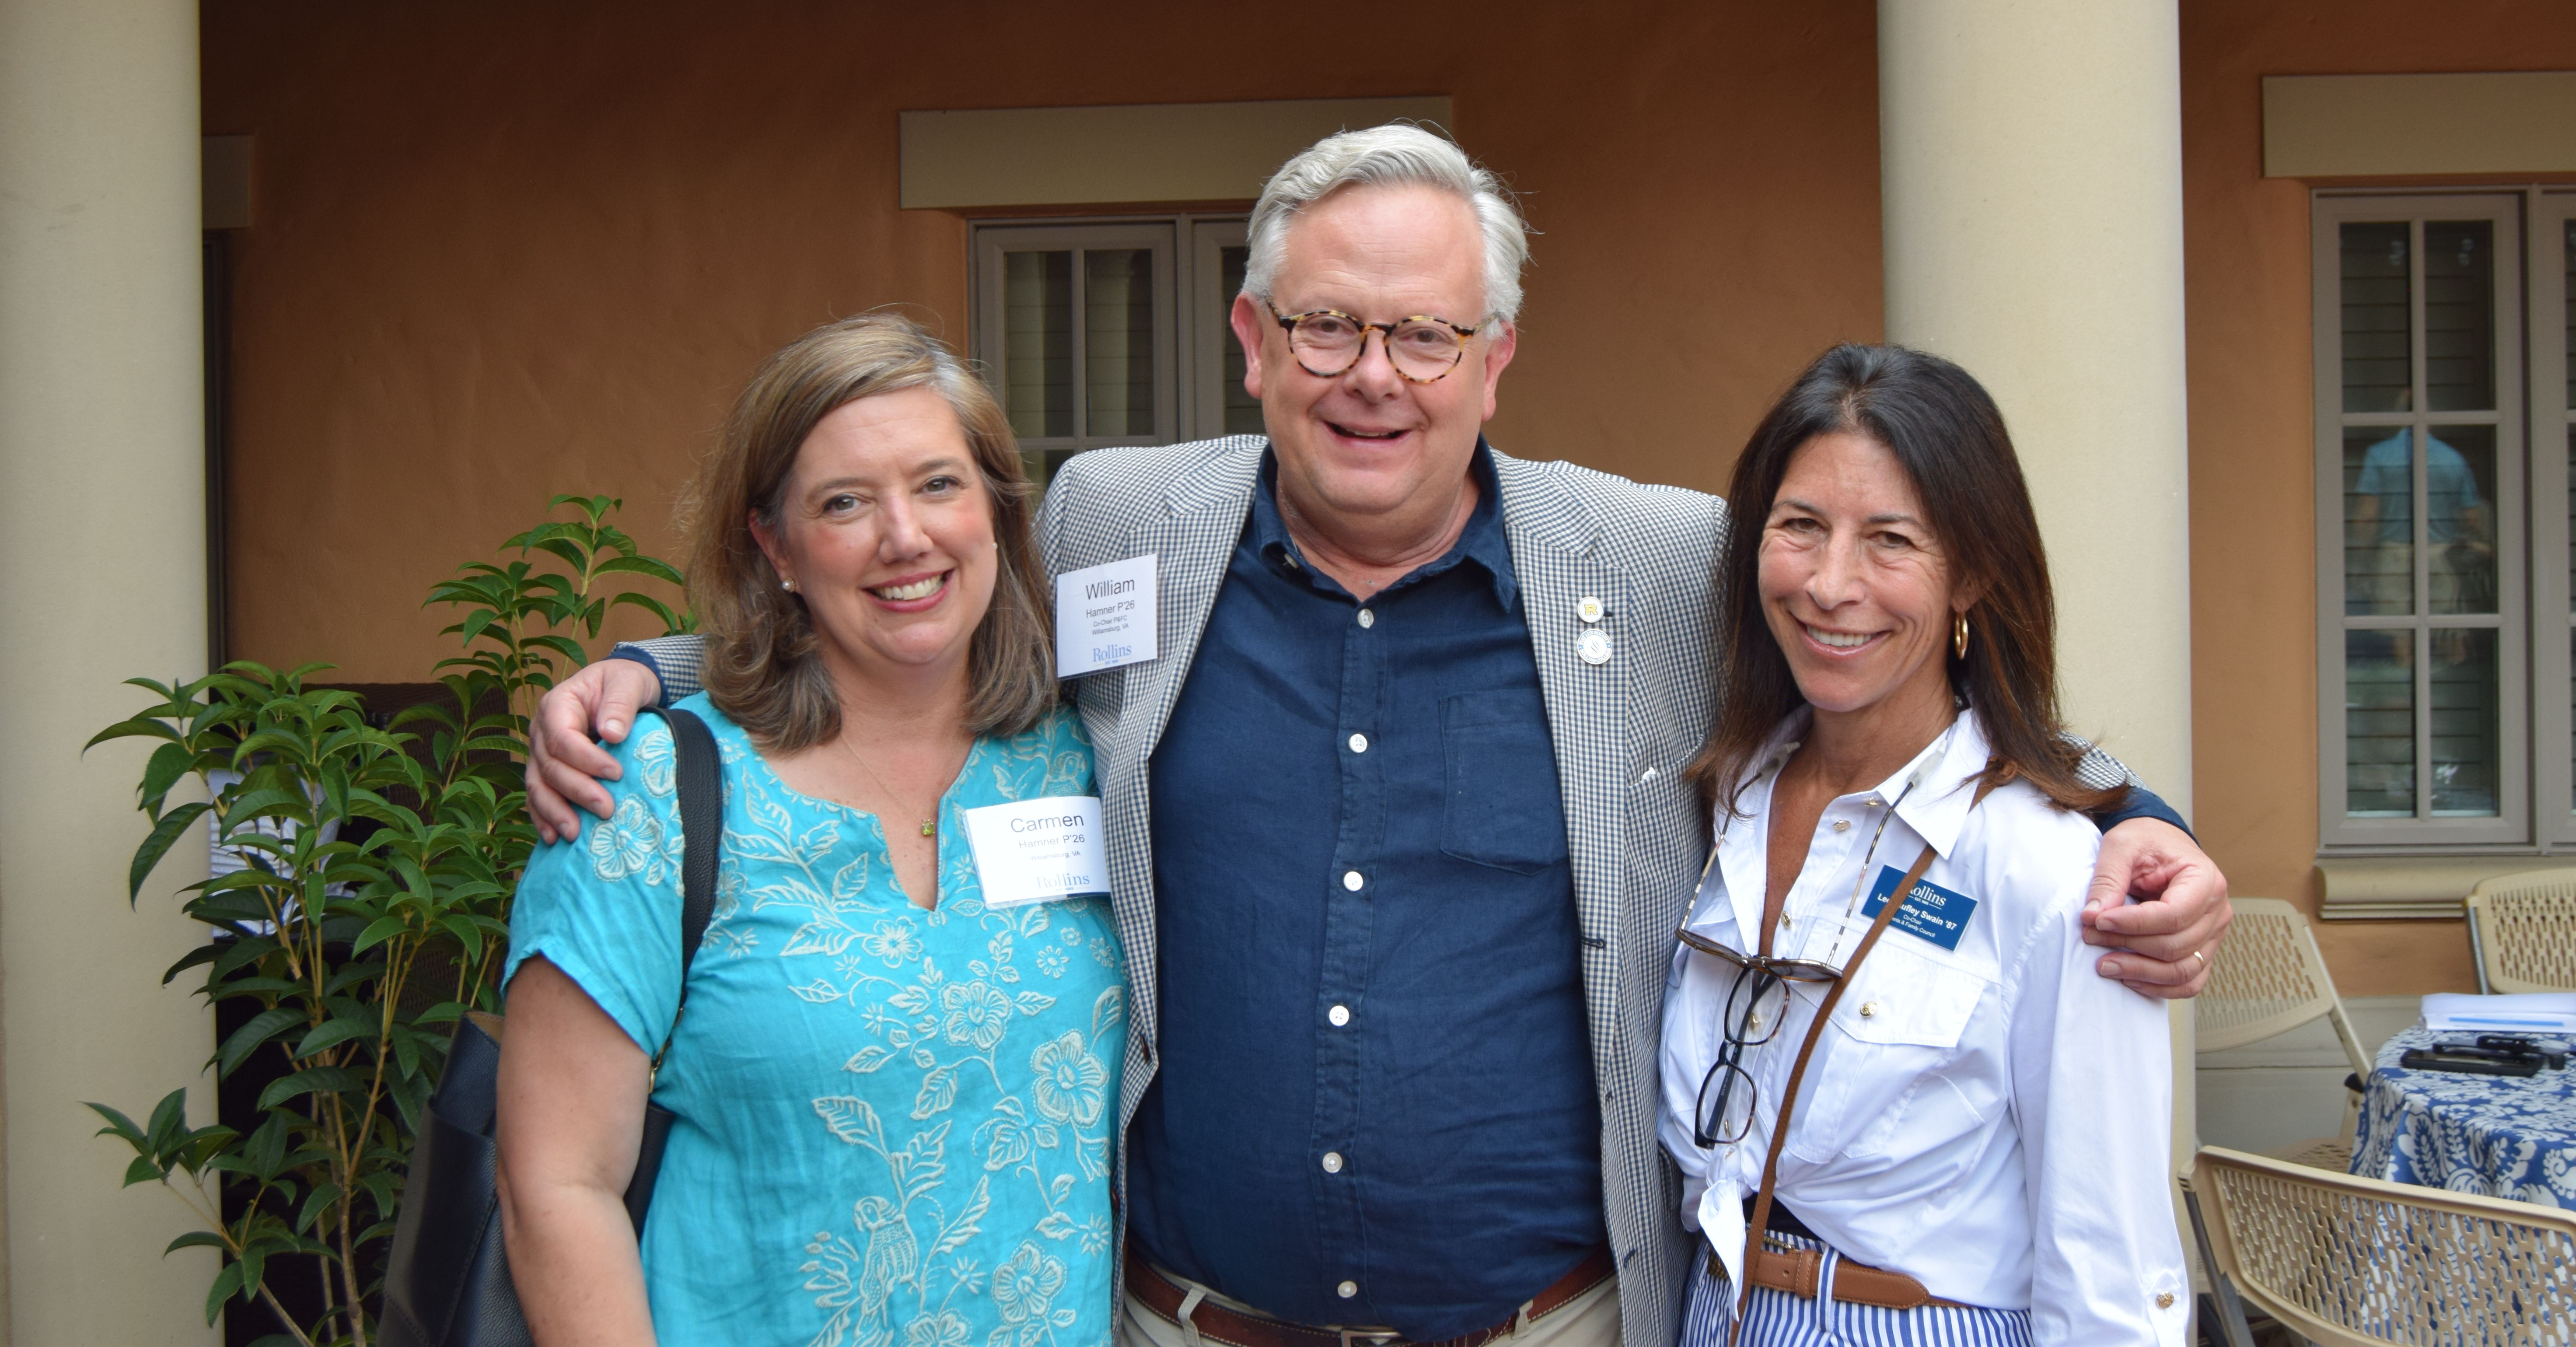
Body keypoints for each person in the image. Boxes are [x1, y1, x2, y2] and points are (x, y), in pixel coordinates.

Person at [525, 127, 2232, 1347]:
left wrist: (2123, 822)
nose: (1374, 377)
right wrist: (655, 668)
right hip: (1191, 1321)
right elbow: (912, 586)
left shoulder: (1644, 565)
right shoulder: (1133, 521)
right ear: (1255, 342)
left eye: (1425, 334)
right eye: (1329, 326)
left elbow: (1885, 644)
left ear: (1496, 359)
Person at [495, 316, 1124, 1347]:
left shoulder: (1082, 751)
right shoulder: (653, 793)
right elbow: (556, 1182)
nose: (905, 535)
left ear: (997, 513)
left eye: (938, 484)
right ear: (775, 546)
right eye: (843, 503)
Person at [1658, 343, 2185, 1346]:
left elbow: (2111, 1251)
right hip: (1713, 1310)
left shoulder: (2047, 865)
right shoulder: (1721, 795)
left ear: (1974, 570)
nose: (1830, 583)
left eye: (1891, 540)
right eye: (1800, 526)